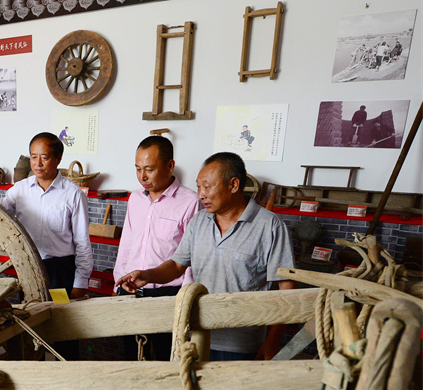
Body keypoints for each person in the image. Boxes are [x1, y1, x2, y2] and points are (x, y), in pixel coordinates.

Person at [115, 151, 295, 362]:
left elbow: (287, 289)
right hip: (197, 336)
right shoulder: (200, 221)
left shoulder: (270, 226)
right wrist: (147, 275)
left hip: (242, 344)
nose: (201, 194)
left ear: (234, 185)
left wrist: (273, 341)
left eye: (208, 187)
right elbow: (176, 266)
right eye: (198, 186)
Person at [111, 135, 202, 390]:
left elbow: (188, 258)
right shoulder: (135, 199)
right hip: (133, 289)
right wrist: (118, 282)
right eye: (138, 169)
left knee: (166, 360)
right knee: (134, 356)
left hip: (169, 292)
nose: (142, 176)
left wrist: (186, 301)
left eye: (149, 169)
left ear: (170, 166)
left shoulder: (190, 201)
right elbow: (128, 245)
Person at [0, 132, 92, 359]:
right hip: (29, 270)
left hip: (60, 272)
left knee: (64, 324)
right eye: (33, 157)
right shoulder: (19, 190)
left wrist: (81, 281)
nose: (37, 163)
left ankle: (69, 374)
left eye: (44, 157)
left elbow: (82, 242)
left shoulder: (72, 194)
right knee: (29, 321)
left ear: (58, 158)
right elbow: (3, 215)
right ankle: (34, 369)